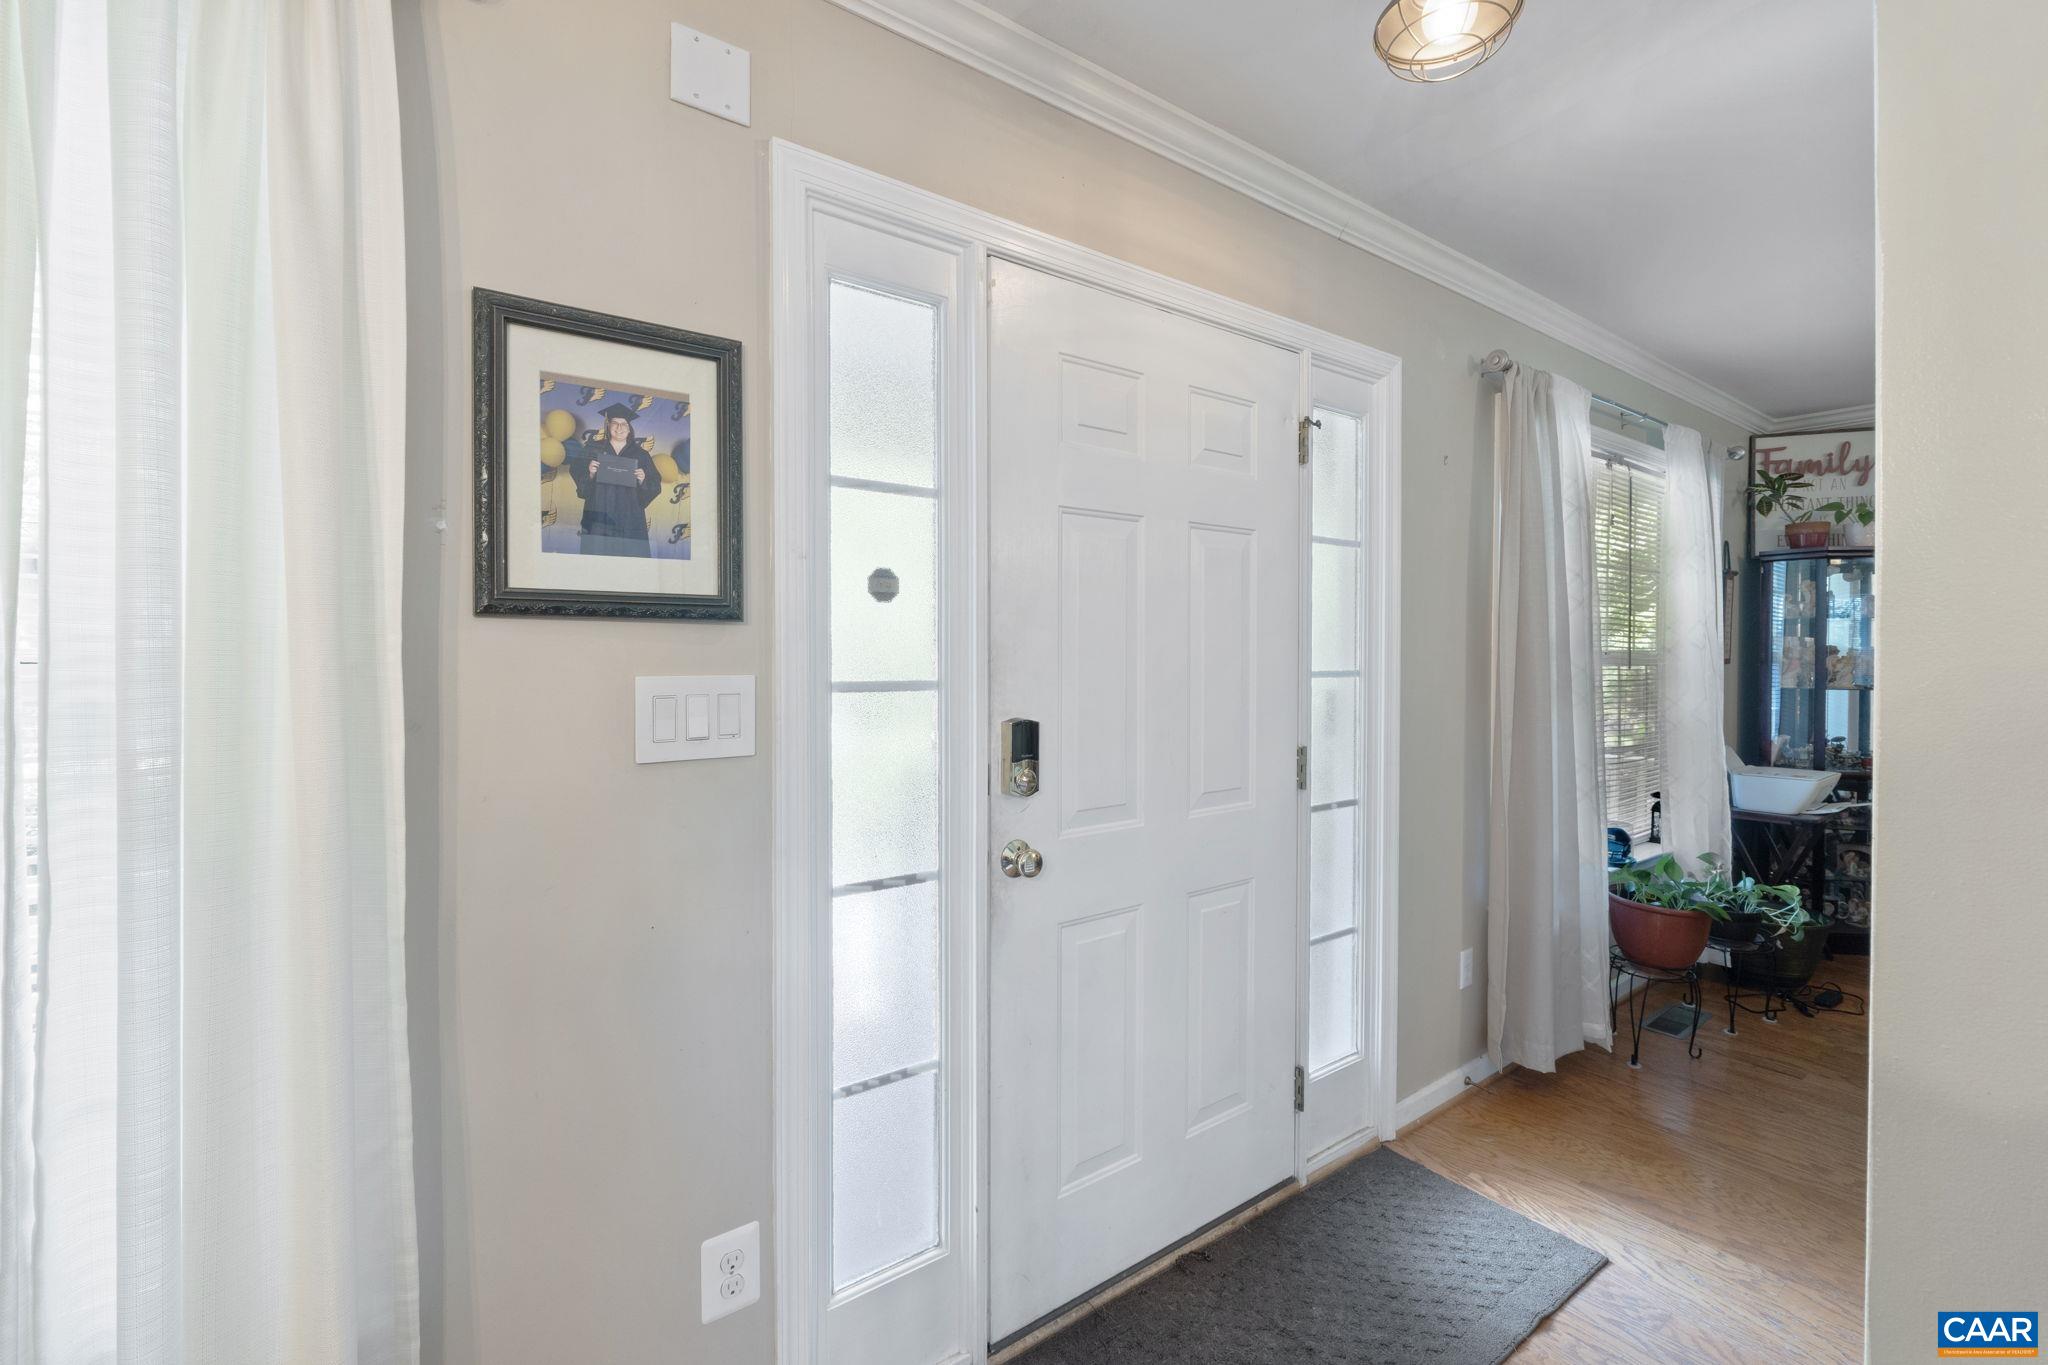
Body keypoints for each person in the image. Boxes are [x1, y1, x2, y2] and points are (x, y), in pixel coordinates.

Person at [565, 402, 662, 556]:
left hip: (630, 517)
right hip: (599, 514)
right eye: (615, 423)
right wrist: (590, 473)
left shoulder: (641, 454)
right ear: (608, 426)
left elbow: (655, 484)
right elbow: (576, 471)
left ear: (629, 428)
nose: (619, 427)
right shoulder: (593, 448)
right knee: (597, 561)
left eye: (623, 424)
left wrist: (643, 479)